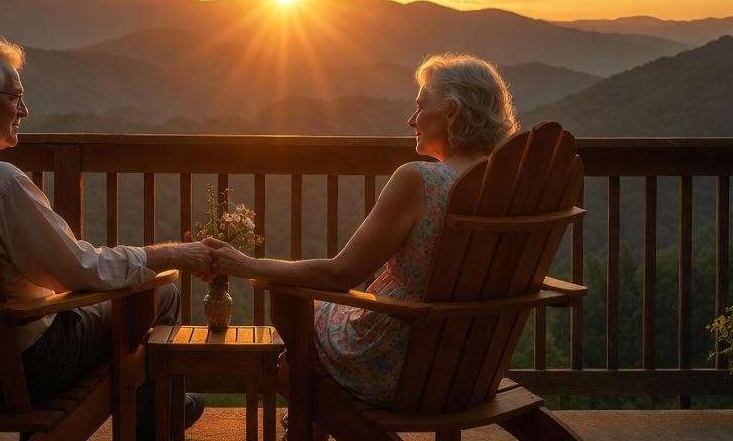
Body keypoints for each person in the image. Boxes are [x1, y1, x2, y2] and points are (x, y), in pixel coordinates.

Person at [0, 38, 209, 436]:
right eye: (15, 97)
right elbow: (78, 270)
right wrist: (172, 255)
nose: (23, 110)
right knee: (162, 292)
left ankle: (164, 409)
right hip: (21, 367)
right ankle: (158, 418)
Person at [204, 53, 519, 405]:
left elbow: (340, 274)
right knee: (300, 358)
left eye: (420, 107)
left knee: (292, 352)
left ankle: (304, 416)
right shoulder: (509, 188)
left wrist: (247, 264)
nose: (411, 120)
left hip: (399, 359)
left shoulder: (421, 180)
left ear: (451, 113)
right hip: (471, 366)